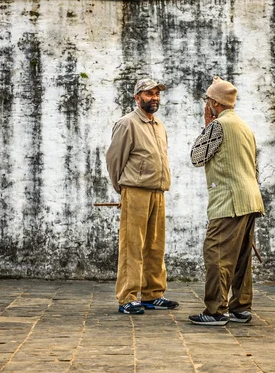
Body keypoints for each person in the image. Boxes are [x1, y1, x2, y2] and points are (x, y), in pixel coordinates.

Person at [188, 76, 265, 325]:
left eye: (208, 101)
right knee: (241, 257)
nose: (206, 105)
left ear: (215, 103)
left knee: (216, 254)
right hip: (250, 198)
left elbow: (197, 157)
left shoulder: (218, 126)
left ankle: (215, 311)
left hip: (229, 200)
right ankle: (240, 308)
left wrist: (206, 124)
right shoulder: (244, 126)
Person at [105, 78, 179, 314]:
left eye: (157, 94)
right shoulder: (127, 123)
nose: (154, 97)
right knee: (133, 245)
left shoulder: (158, 125)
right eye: (148, 94)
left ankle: (152, 293)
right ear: (137, 98)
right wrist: (122, 189)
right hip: (135, 190)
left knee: (155, 245)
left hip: (158, 191)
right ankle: (127, 297)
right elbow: (114, 159)